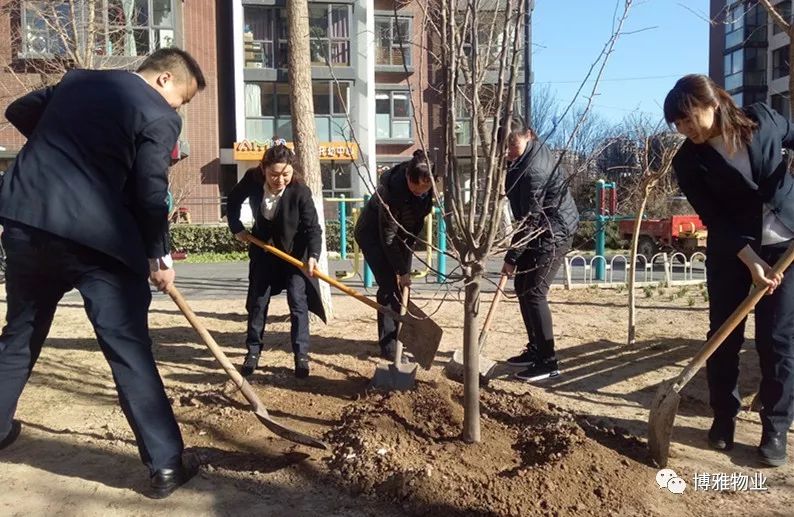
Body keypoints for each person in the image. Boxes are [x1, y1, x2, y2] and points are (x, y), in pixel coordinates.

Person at [0, 48, 206, 497]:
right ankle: (167, 464)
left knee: (20, 333)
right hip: (100, 241)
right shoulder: (158, 115)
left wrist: (65, 150)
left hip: (25, 219)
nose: (178, 110)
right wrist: (160, 256)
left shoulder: (77, 82)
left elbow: (18, 109)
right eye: (182, 100)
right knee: (128, 346)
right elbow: (151, 193)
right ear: (164, 79)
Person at [664, 74, 794, 467]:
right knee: (723, 336)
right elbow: (714, 218)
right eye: (679, 125)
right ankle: (724, 418)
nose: (686, 130)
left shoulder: (764, 121)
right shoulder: (687, 161)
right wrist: (752, 262)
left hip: (786, 243)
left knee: (778, 341)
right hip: (733, 253)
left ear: (711, 105)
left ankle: (775, 429)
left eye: (688, 119)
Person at [226, 144, 326, 379]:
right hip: (264, 251)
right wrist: (237, 227)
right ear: (263, 169)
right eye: (274, 174)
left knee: (297, 303)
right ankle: (252, 352)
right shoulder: (252, 179)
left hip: (294, 256)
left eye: (285, 174)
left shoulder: (300, 191)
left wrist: (313, 256)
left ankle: (301, 357)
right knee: (257, 303)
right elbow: (232, 201)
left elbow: (314, 228)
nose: (279, 180)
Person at [501, 118, 579, 382]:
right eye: (506, 145)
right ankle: (535, 349)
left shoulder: (535, 169)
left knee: (534, 293)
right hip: (539, 229)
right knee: (523, 287)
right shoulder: (520, 160)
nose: (509, 150)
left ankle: (548, 361)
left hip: (554, 231)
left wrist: (512, 257)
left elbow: (529, 220)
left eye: (513, 144)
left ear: (529, 135)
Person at [354, 150, 434, 359]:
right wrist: (401, 271)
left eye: (426, 188)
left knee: (401, 287)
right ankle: (389, 348)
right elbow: (387, 237)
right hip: (373, 236)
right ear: (408, 177)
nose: (421, 192)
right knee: (390, 287)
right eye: (417, 187)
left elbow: (415, 223)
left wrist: (405, 268)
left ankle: (400, 338)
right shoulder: (390, 193)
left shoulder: (426, 185)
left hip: (401, 238)